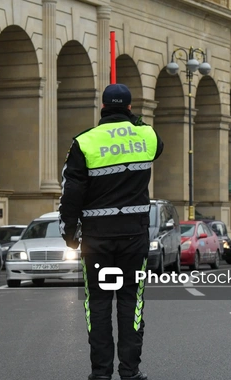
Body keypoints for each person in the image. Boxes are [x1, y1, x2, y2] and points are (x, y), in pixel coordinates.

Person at [59, 83, 163, 380]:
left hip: (97, 239)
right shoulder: (147, 135)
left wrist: (69, 233)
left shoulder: (85, 142)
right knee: (132, 301)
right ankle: (130, 372)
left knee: (99, 304)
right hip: (135, 236)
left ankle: (101, 374)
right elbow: (159, 147)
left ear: (102, 107)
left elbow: (71, 193)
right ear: (130, 109)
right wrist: (136, 123)